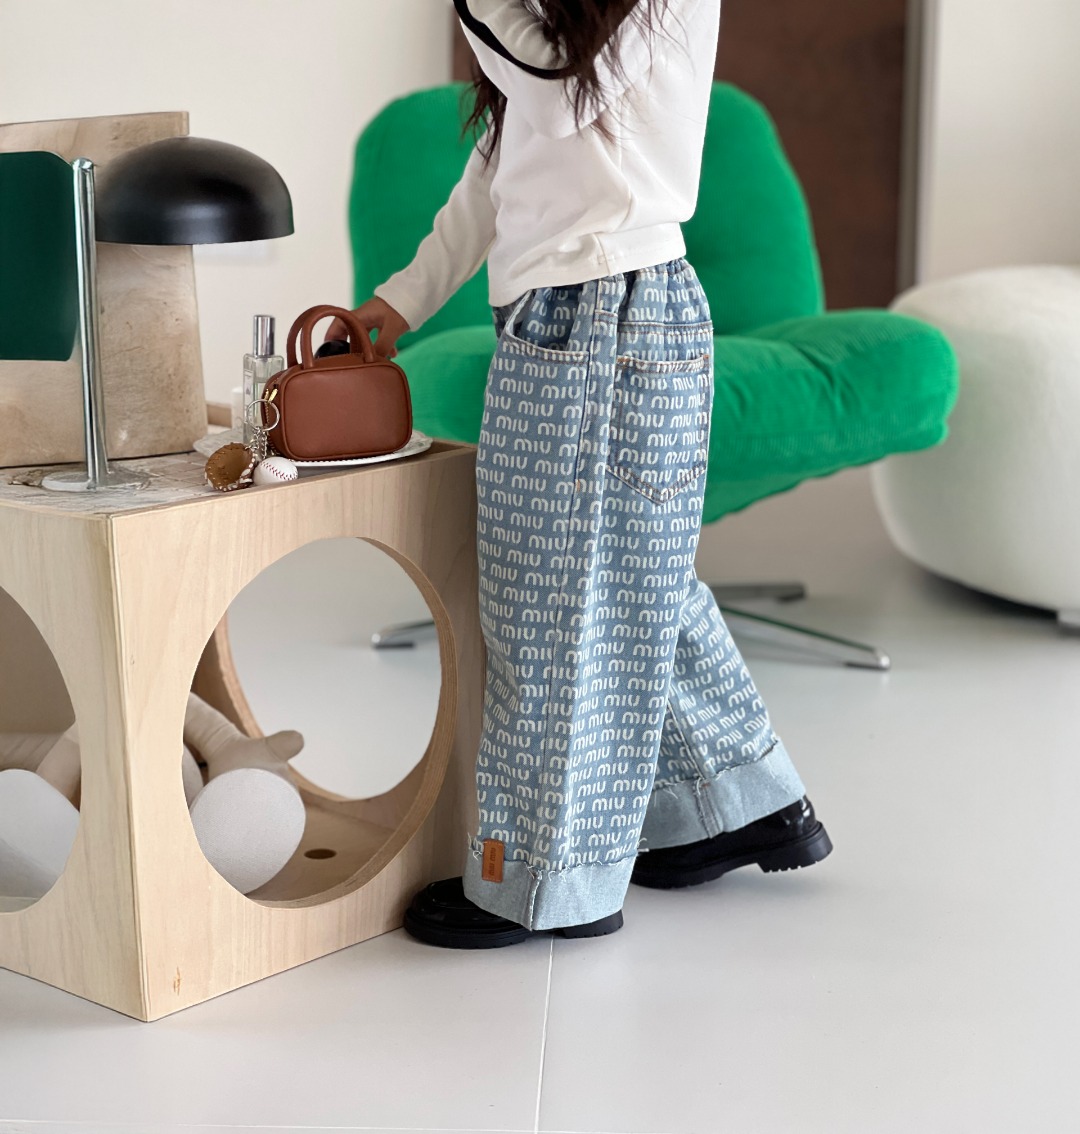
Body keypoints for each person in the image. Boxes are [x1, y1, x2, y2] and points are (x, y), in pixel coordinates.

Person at [330, 0, 832, 949]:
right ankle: (737, 804)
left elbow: (562, 98)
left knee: (556, 602)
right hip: (577, 314)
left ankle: (542, 882)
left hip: (607, 310)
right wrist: (399, 303)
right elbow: (503, 168)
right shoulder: (547, 18)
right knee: (631, 576)